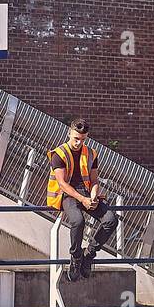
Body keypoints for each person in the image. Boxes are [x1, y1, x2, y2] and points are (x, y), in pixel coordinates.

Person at [47, 117, 118, 282]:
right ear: (69, 133)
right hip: (67, 195)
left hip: (86, 193)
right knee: (78, 221)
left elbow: (94, 180)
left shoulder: (91, 153)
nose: (79, 143)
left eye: (83, 139)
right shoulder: (58, 153)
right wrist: (82, 199)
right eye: (76, 139)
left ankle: (89, 254)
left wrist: (93, 196)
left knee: (111, 220)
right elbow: (62, 184)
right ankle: (76, 257)